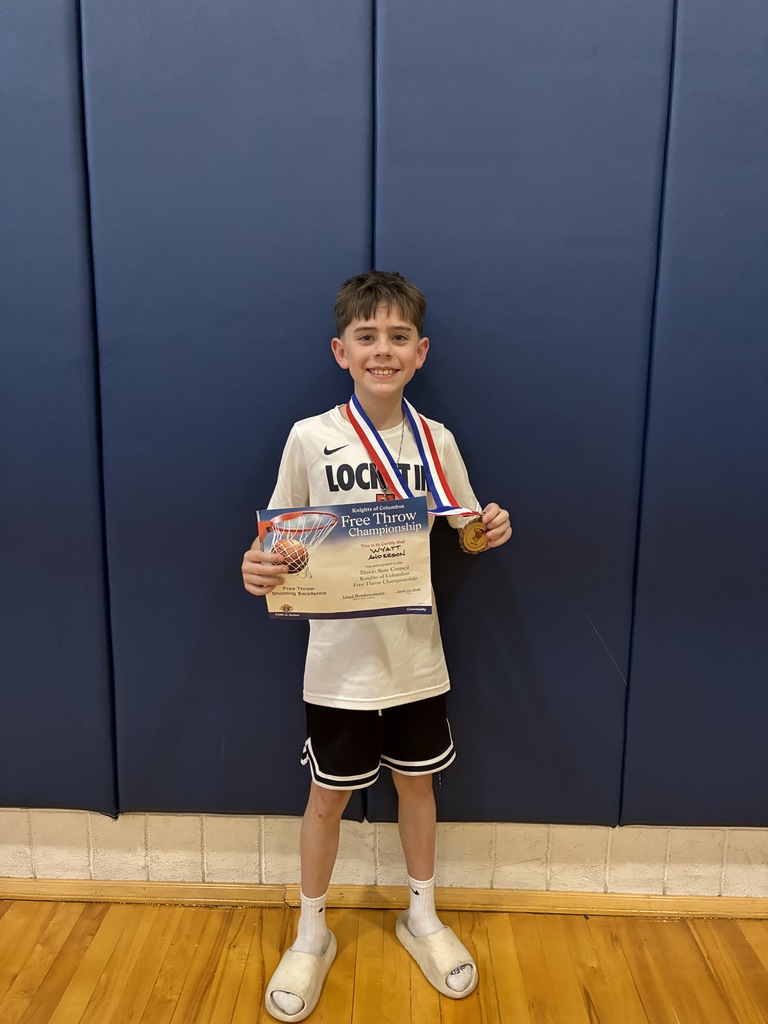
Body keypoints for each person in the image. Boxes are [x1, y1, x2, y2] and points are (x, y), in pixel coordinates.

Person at [241, 271, 512, 1022]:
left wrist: (488, 528)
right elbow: (279, 547)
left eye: (398, 338)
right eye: (367, 337)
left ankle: (421, 914)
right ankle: (311, 932)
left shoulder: (437, 440)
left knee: (418, 787)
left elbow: (464, 532)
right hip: (337, 667)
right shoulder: (311, 437)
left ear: (421, 353)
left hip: (416, 658)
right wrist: (254, 567)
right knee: (326, 798)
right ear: (341, 350)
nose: (382, 350)